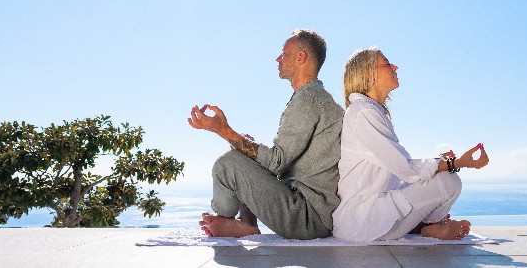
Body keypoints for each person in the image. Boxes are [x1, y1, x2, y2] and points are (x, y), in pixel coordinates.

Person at [187, 29, 344, 240]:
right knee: (243, 152)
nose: (278, 58)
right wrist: (240, 143)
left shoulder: (309, 101)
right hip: (309, 212)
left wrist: (223, 131)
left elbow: (276, 162)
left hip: (307, 217)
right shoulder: (313, 97)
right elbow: (281, 160)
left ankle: (222, 216)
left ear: (300, 57)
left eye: (284, 53)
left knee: (228, 163)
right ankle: (247, 224)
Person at [332, 48, 489, 242]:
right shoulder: (363, 112)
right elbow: (404, 167)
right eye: (387, 64)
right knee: (449, 180)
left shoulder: (369, 111)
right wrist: (454, 163)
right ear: (368, 73)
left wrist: (439, 164)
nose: (395, 67)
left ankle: (425, 227)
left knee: (444, 175)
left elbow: (398, 171)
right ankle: (429, 226)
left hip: (371, 216)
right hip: (364, 223)